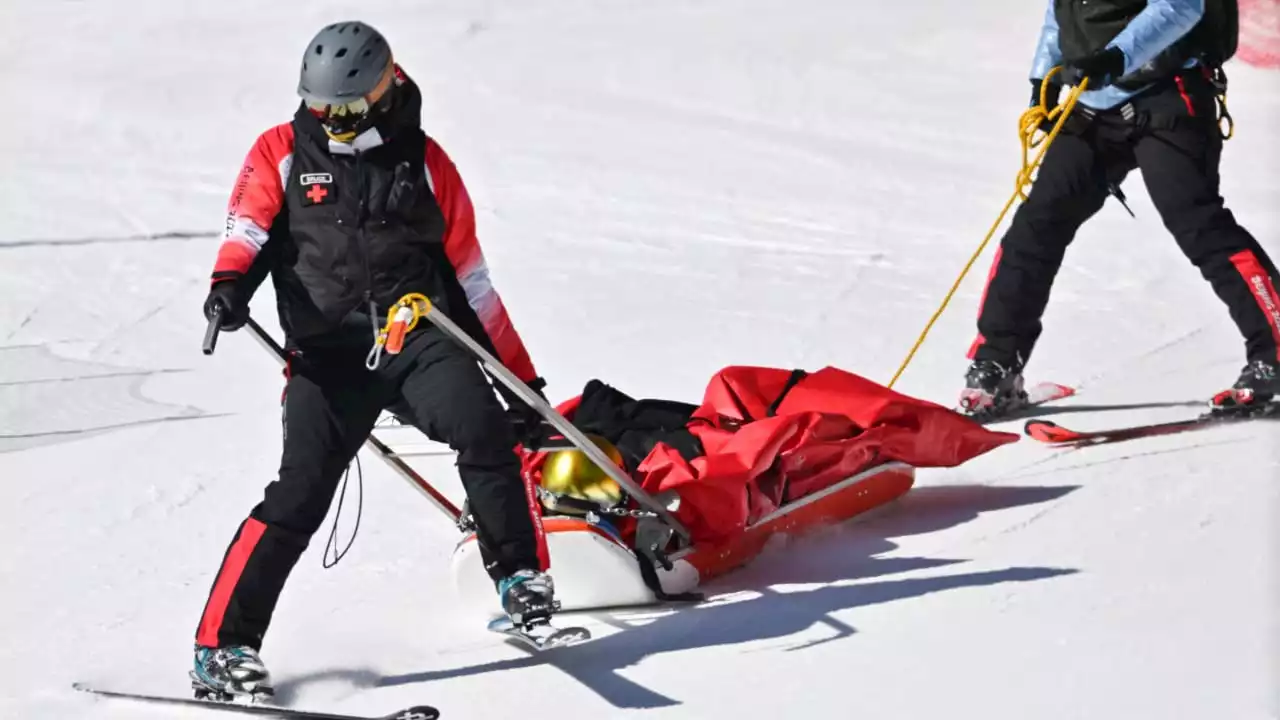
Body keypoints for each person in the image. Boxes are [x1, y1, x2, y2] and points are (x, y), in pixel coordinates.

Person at [192, 21, 556, 700]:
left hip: (414, 336)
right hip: (327, 354)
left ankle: (520, 576)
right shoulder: (281, 151)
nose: (332, 121)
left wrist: (522, 384)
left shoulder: (425, 162)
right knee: (298, 494)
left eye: (347, 108)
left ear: (386, 86)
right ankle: (222, 647)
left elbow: (471, 281)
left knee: (481, 426)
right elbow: (247, 231)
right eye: (320, 105)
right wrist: (227, 289)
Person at [961, 0, 1280, 415]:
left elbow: (1182, 5)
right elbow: (1062, 11)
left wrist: (1117, 57)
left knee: (1196, 222)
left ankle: (1272, 350)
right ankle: (995, 361)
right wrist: (1044, 76)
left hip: (1168, 92)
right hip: (1093, 104)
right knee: (1037, 224)